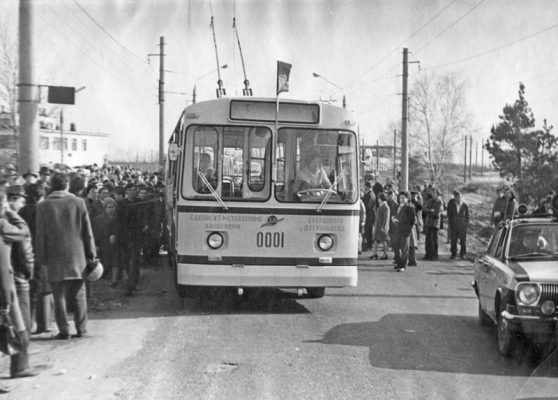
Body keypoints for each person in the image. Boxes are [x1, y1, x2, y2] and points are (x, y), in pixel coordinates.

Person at [35, 173, 97, 339]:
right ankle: (81, 329)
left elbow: (40, 236)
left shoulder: (43, 206)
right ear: (67, 185)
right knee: (79, 293)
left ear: (52, 186)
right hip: (78, 256)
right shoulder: (79, 202)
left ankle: (64, 331)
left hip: (54, 258)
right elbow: (87, 232)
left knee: (58, 294)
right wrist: (92, 254)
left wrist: (41, 260)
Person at [0, 186, 38, 388]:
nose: (22, 203)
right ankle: (20, 366)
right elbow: (23, 236)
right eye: (19, 200)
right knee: (21, 323)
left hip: (10, 278)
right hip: (14, 280)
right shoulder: (6, 224)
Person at [392, 191, 416, 272]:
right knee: (395, 246)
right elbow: (396, 216)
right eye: (400, 198)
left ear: (407, 199)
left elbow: (412, 221)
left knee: (404, 249)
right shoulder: (398, 207)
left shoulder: (409, 208)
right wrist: (394, 219)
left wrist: (408, 231)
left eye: (403, 198)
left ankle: (403, 265)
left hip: (405, 231)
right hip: (397, 230)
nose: (401, 199)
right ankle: (398, 263)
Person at [447, 190, 470, 260]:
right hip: (454, 226)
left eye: (460, 197)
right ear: (455, 198)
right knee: (453, 240)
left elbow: (467, 216)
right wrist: (451, 224)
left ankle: (463, 254)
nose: (458, 198)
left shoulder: (465, 205)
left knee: (463, 241)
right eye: (457, 197)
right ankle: (453, 254)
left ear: (461, 197)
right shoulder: (452, 205)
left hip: (462, 227)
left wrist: (465, 225)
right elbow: (449, 214)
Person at [423, 187, 443, 261]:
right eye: (432, 192)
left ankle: (434, 256)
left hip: (435, 223)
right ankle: (428, 254)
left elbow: (437, 212)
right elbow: (424, 209)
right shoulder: (429, 201)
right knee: (428, 239)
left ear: (437, 194)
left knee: (434, 240)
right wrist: (430, 210)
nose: (433, 194)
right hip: (429, 222)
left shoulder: (440, 202)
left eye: (434, 192)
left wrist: (430, 212)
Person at [370, 192, 390, 260]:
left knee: (384, 240)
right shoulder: (381, 206)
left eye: (379, 198)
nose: (378, 199)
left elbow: (386, 218)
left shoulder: (385, 207)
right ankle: (375, 253)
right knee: (376, 240)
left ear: (381, 199)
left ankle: (385, 254)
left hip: (381, 226)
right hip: (378, 225)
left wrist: (384, 227)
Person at [361, 181, 376, 251]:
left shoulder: (370, 195)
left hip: (369, 214)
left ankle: (367, 245)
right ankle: (369, 244)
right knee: (369, 230)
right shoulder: (371, 194)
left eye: (365, 186)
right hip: (370, 214)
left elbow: (368, 206)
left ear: (367, 187)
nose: (364, 187)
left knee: (367, 230)